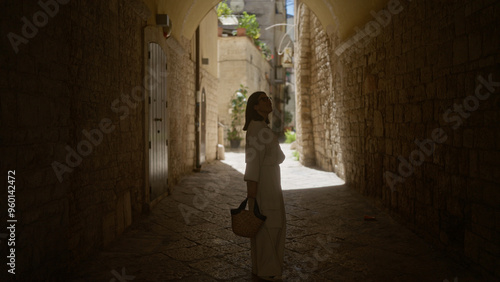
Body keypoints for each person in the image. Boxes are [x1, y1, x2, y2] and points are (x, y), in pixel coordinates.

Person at [243, 91, 286, 281]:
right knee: (270, 226)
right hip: (265, 186)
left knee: (269, 225)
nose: (268, 101)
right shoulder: (257, 130)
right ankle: (267, 269)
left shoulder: (261, 128)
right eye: (263, 99)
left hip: (270, 182)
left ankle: (263, 267)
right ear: (255, 107)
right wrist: (252, 191)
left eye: (268, 98)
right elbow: (252, 161)